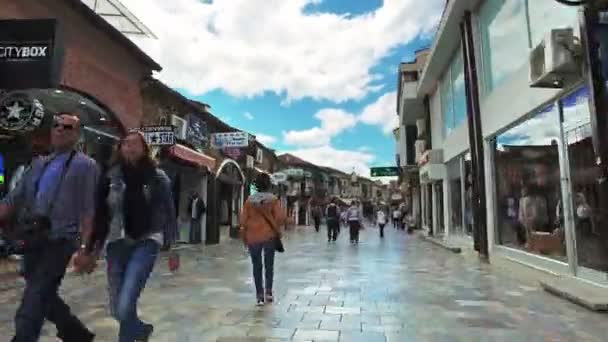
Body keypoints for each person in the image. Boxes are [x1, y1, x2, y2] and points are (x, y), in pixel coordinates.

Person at [0, 114, 98, 342]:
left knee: (35, 295)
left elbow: (89, 209)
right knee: (41, 289)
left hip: (61, 240)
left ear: (76, 134)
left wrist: (85, 248)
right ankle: (75, 332)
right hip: (34, 237)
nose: (60, 130)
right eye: (56, 126)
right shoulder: (38, 163)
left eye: (68, 127)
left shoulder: (86, 165)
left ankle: (23, 337)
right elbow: (13, 199)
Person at [80, 131, 177, 342]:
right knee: (117, 309)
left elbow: (169, 211)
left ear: (144, 149)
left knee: (126, 304)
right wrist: (90, 249)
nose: (130, 147)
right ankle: (140, 330)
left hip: (147, 240)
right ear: (120, 148)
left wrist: (172, 247)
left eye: (135, 144)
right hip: (116, 242)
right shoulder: (109, 177)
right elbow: (100, 213)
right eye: (126, 144)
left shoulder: (158, 178)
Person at [240, 173, 286, 306]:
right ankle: (269, 292)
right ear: (269, 185)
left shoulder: (249, 201)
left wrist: (245, 236)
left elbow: (243, 220)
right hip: (269, 236)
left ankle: (259, 296)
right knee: (269, 265)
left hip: (253, 237)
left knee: (256, 266)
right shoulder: (273, 199)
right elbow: (280, 218)